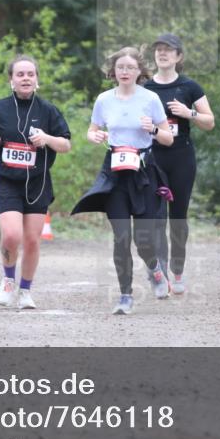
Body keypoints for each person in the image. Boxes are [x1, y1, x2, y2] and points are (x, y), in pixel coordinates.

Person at [72, 46, 174, 315]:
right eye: (120, 68)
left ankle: (154, 269)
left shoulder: (150, 99)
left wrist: (152, 129)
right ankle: (125, 295)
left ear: (139, 71)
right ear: (113, 71)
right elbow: (92, 130)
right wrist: (93, 136)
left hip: (143, 173)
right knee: (121, 237)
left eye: (130, 67)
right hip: (115, 172)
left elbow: (167, 137)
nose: (125, 72)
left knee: (143, 240)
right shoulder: (104, 100)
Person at [0, 55, 72, 310]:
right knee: (11, 235)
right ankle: (8, 279)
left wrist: (47, 138)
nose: (25, 78)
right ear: (11, 80)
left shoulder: (49, 110)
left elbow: (65, 144)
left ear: (37, 80)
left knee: (32, 240)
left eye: (30, 74)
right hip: (7, 181)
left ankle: (25, 291)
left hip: (38, 182)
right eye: (20, 74)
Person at [143, 33, 215, 295]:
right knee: (156, 217)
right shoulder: (146, 89)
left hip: (182, 158)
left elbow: (210, 122)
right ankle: (160, 272)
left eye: (168, 50)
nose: (162, 53)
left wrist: (189, 113)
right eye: (158, 49)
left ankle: (178, 271)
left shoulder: (189, 87)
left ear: (178, 56)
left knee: (178, 217)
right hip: (154, 159)